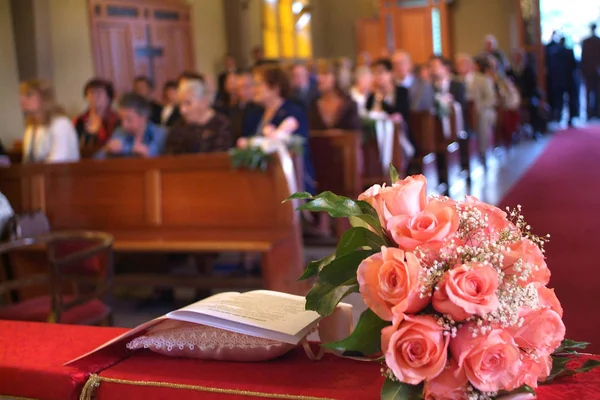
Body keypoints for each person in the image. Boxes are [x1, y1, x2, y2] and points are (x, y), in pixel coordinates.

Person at [242, 64, 316, 195]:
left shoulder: (293, 112)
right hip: (259, 175)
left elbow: (295, 148)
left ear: (275, 88)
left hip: (290, 175)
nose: (253, 89)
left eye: (258, 84)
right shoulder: (254, 114)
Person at [19, 79, 80, 163]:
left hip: (63, 174)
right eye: (21, 95)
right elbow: (27, 161)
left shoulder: (61, 124)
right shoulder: (31, 128)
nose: (22, 100)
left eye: (28, 95)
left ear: (44, 98)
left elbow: (58, 161)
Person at [165, 80, 232, 154]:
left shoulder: (221, 124)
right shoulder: (178, 127)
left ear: (203, 102)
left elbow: (219, 156)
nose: (182, 110)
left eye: (188, 103)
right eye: (180, 104)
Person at [455, 54, 497, 167]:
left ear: (470, 66)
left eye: (462, 64)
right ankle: (461, 156)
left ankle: (482, 152)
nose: (459, 67)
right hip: (463, 111)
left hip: (482, 110)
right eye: (458, 65)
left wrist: (479, 106)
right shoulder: (456, 80)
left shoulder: (482, 79)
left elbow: (491, 98)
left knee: (482, 117)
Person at [95, 93, 166, 159]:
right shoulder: (119, 131)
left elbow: (152, 154)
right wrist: (107, 149)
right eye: (121, 119)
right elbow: (96, 160)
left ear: (144, 117)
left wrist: (125, 148)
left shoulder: (159, 132)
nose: (124, 124)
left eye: (129, 119)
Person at [365, 58, 411, 142]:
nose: (378, 76)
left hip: (398, 136)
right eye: (374, 73)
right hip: (376, 136)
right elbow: (367, 113)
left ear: (391, 73)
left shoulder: (401, 91)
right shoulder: (372, 94)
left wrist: (381, 100)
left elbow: (400, 114)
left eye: (381, 72)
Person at [308, 59, 362, 131]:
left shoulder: (349, 105)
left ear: (337, 78)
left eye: (325, 74)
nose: (319, 78)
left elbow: (356, 134)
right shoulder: (313, 104)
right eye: (319, 74)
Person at [73, 78, 120, 148]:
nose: (94, 96)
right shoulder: (79, 120)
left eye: (99, 92)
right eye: (91, 92)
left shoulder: (118, 119)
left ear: (108, 97)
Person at [507, 49, 543, 134]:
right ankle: (512, 132)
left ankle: (535, 131)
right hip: (513, 98)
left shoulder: (528, 70)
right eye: (515, 58)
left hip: (527, 97)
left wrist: (526, 98)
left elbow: (533, 86)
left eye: (518, 58)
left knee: (534, 106)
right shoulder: (509, 71)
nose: (516, 60)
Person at [546, 37, 577, 125]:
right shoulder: (569, 52)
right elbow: (574, 66)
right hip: (568, 79)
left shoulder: (553, 52)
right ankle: (570, 118)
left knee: (559, 100)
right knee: (569, 100)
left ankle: (558, 117)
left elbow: (550, 67)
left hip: (558, 80)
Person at [229, 69, 263, 141]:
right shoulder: (234, 109)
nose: (242, 92)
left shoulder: (262, 108)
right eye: (239, 88)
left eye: (246, 87)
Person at [581, 23, 600, 119]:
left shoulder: (590, 41)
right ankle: (592, 113)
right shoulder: (587, 41)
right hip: (591, 72)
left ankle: (593, 112)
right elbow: (583, 58)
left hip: (593, 72)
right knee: (591, 93)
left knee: (595, 92)